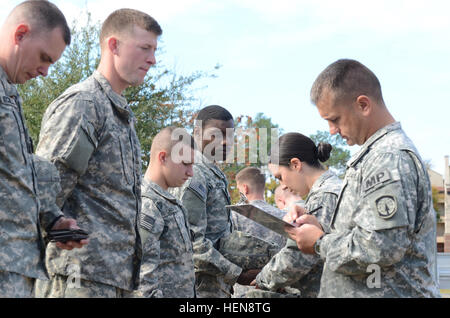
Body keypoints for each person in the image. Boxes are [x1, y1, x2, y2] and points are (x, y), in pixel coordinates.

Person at [34, 8, 162, 298]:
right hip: (77, 276)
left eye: (154, 50)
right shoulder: (84, 105)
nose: (152, 59)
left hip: (113, 279)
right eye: (144, 48)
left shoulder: (121, 115)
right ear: (113, 45)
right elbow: (44, 188)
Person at [285, 59, 440, 297]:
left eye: (335, 119)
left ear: (363, 105)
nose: (331, 131)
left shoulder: (388, 157)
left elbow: (380, 248)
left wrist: (319, 243)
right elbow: (370, 234)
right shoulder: (374, 156)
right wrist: (319, 228)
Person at [0, 0, 86, 298]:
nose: (46, 71)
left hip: (16, 264)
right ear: (20, 34)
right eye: (44, 57)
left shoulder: (10, 95)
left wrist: (53, 219)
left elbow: (15, 176)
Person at [248, 133, 341, 298]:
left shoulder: (325, 196)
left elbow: (302, 255)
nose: (283, 186)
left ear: (296, 164)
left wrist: (263, 279)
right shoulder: (333, 189)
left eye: (280, 177)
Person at [174, 105, 254, 298]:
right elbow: (191, 243)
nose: (225, 142)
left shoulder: (213, 172)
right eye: (216, 135)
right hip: (198, 287)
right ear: (197, 133)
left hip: (215, 285)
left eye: (230, 136)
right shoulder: (195, 174)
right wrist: (237, 274)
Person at [136, 127, 196, 298]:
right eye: (185, 163)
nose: (190, 172)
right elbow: (142, 281)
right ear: (162, 157)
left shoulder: (168, 202)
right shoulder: (148, 204)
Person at [231, 166, 287, 297]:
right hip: (276, 288)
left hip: (245, 291)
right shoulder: (283, 216)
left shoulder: (234, 215)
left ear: (245, 188)